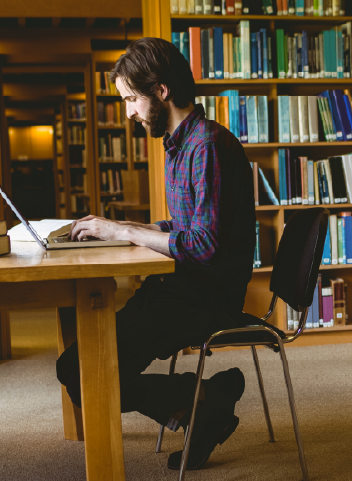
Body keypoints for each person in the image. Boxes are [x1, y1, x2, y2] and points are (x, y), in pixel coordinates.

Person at [55, 37, 257, 471]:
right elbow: (186, 228)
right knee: (77, 366)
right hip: (178, 287)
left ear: (161, 91)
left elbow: (202, 245)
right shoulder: (179, 144)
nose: (128, 111)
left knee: (83, 371)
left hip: (205, 298)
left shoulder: (207, 147)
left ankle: (202, 401)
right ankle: (203, 404)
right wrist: (123, 232)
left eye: (131, 98)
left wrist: (122, 229)